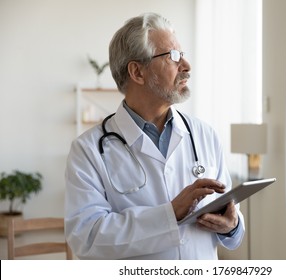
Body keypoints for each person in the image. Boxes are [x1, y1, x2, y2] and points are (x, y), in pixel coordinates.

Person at [65, 12, 245, 260]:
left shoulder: (204, 134)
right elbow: (87, 239)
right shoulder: (88, 150)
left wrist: (231, 226)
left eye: (182, 55)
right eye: (173, 57)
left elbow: (232, 219)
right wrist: (169, 215)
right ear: (137, 72)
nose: (186, 66)